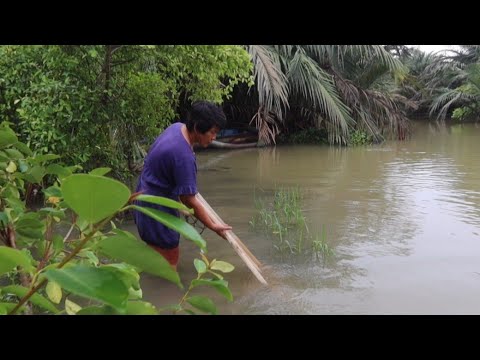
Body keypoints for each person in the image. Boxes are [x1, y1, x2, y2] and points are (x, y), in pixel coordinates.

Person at [134, 101, 232, 270]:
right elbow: (189, 199)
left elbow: (167, 173)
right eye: (212, 132)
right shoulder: (182, 156)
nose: (214, 137)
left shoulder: (177, 128)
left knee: (154, 255)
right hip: (156, 209)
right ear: (196, 127)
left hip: (143, 197)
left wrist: (180, 205)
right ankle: (168, 293)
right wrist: (213, 226)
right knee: (169, 259)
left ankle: (150, 288)